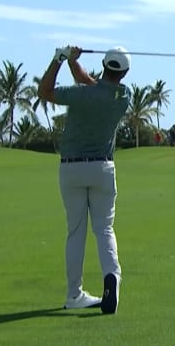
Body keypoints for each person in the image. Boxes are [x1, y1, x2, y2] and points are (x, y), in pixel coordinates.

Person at [38, 45, 132, 314]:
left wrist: (60, 59)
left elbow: (45, 91)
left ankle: (74, 294)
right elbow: (95, 85)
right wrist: (72, 63)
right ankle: (112, 277)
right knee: (104, 230)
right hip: (103, 169)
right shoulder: (122, 96)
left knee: (76, 232)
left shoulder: (81, 95)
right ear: (124, 73)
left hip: (72, 169)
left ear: (103, 65)